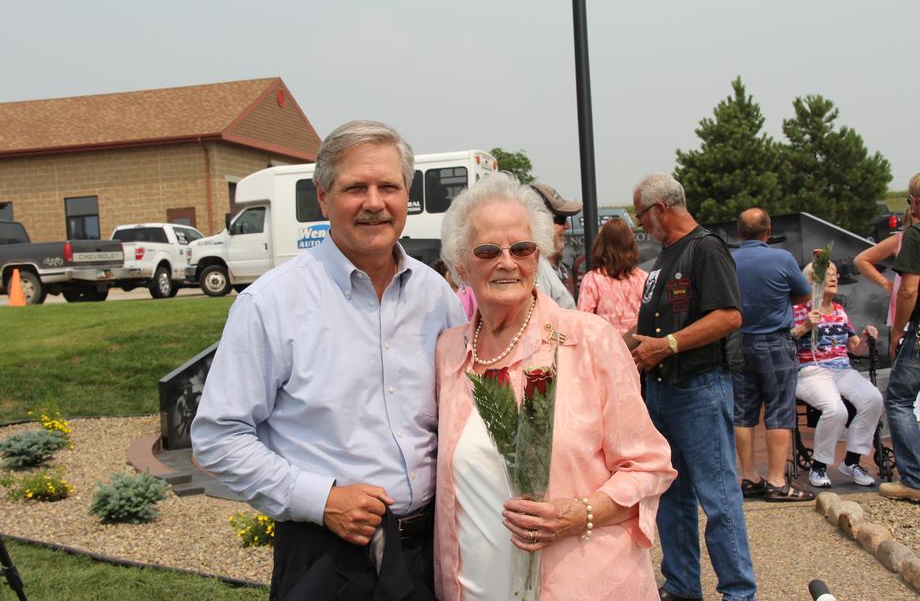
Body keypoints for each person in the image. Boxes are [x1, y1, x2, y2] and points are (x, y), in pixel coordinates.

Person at [190, 120, 466, 600]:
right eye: (355, 187)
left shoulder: (435, 296)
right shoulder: (271, 304)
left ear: (407, 195)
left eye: (389, 187)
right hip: (329, 554)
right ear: (323, 198)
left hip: (432, 548)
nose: (374, 202)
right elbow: (218, 437)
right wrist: (321, 500)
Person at [434, 172, 676, 600]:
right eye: (488, 250)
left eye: (522, 249)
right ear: (461, 265)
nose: (507, 262)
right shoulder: (450, 352)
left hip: (579, 584)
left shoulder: (591, 340)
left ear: (539, 257)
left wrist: (578, 512)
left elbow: (648, 466)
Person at [626, 173, 756, 601]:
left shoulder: (706, 249)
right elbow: (653, 324)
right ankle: (682, 586)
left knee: (718, 498)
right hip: (663, 392)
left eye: (641, 214)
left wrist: (668, 345)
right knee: (672, 496)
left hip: (699, 389)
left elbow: (729, 317)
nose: (639, 223)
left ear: (661, 209)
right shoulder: (664, 256)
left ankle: (738, 592)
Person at [731, 208, 814, 502]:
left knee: (742, 413)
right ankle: (777, 481)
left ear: (739, 233)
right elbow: (804, 294)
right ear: (768, 231)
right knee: (779, 412)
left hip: (739, 343)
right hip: (776, 342)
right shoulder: (782, 258)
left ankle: (750, 476)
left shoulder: (729, 260)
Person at [792, 261, 883, 489]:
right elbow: (784, 340)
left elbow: (855, 349)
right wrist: (803, 326)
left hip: (842, 370)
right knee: (836, 409)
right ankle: (819, 466)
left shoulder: (839, 311)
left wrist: (864, 338)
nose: (834, 277)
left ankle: (851, 462)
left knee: (874, 399)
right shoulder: (797, 309)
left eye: (835, 274)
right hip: (810, 370)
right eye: (827, 274)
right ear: (812, 281)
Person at [881, 173, 920, 502]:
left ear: (915, 202)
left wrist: (898, 331)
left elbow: (909, 289)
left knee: (899, 400)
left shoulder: (916, 234)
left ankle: (914, 479)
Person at [576, 217, 648, 334]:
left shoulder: (593, 279)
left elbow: (583, 321)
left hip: (606, 348)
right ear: (631, 243)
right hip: (638, 347)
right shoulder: (644, 278)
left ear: (601, 244)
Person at [854, 205, 917, 328]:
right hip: (905, 310)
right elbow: (861, 260)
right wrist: (886, 284)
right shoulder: (900, 239)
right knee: (903, 343)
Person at [530, 182, 580, 309]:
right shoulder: (537, 270)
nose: (567, 225)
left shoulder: (548, 266)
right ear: (538, 221)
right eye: (560, 219)